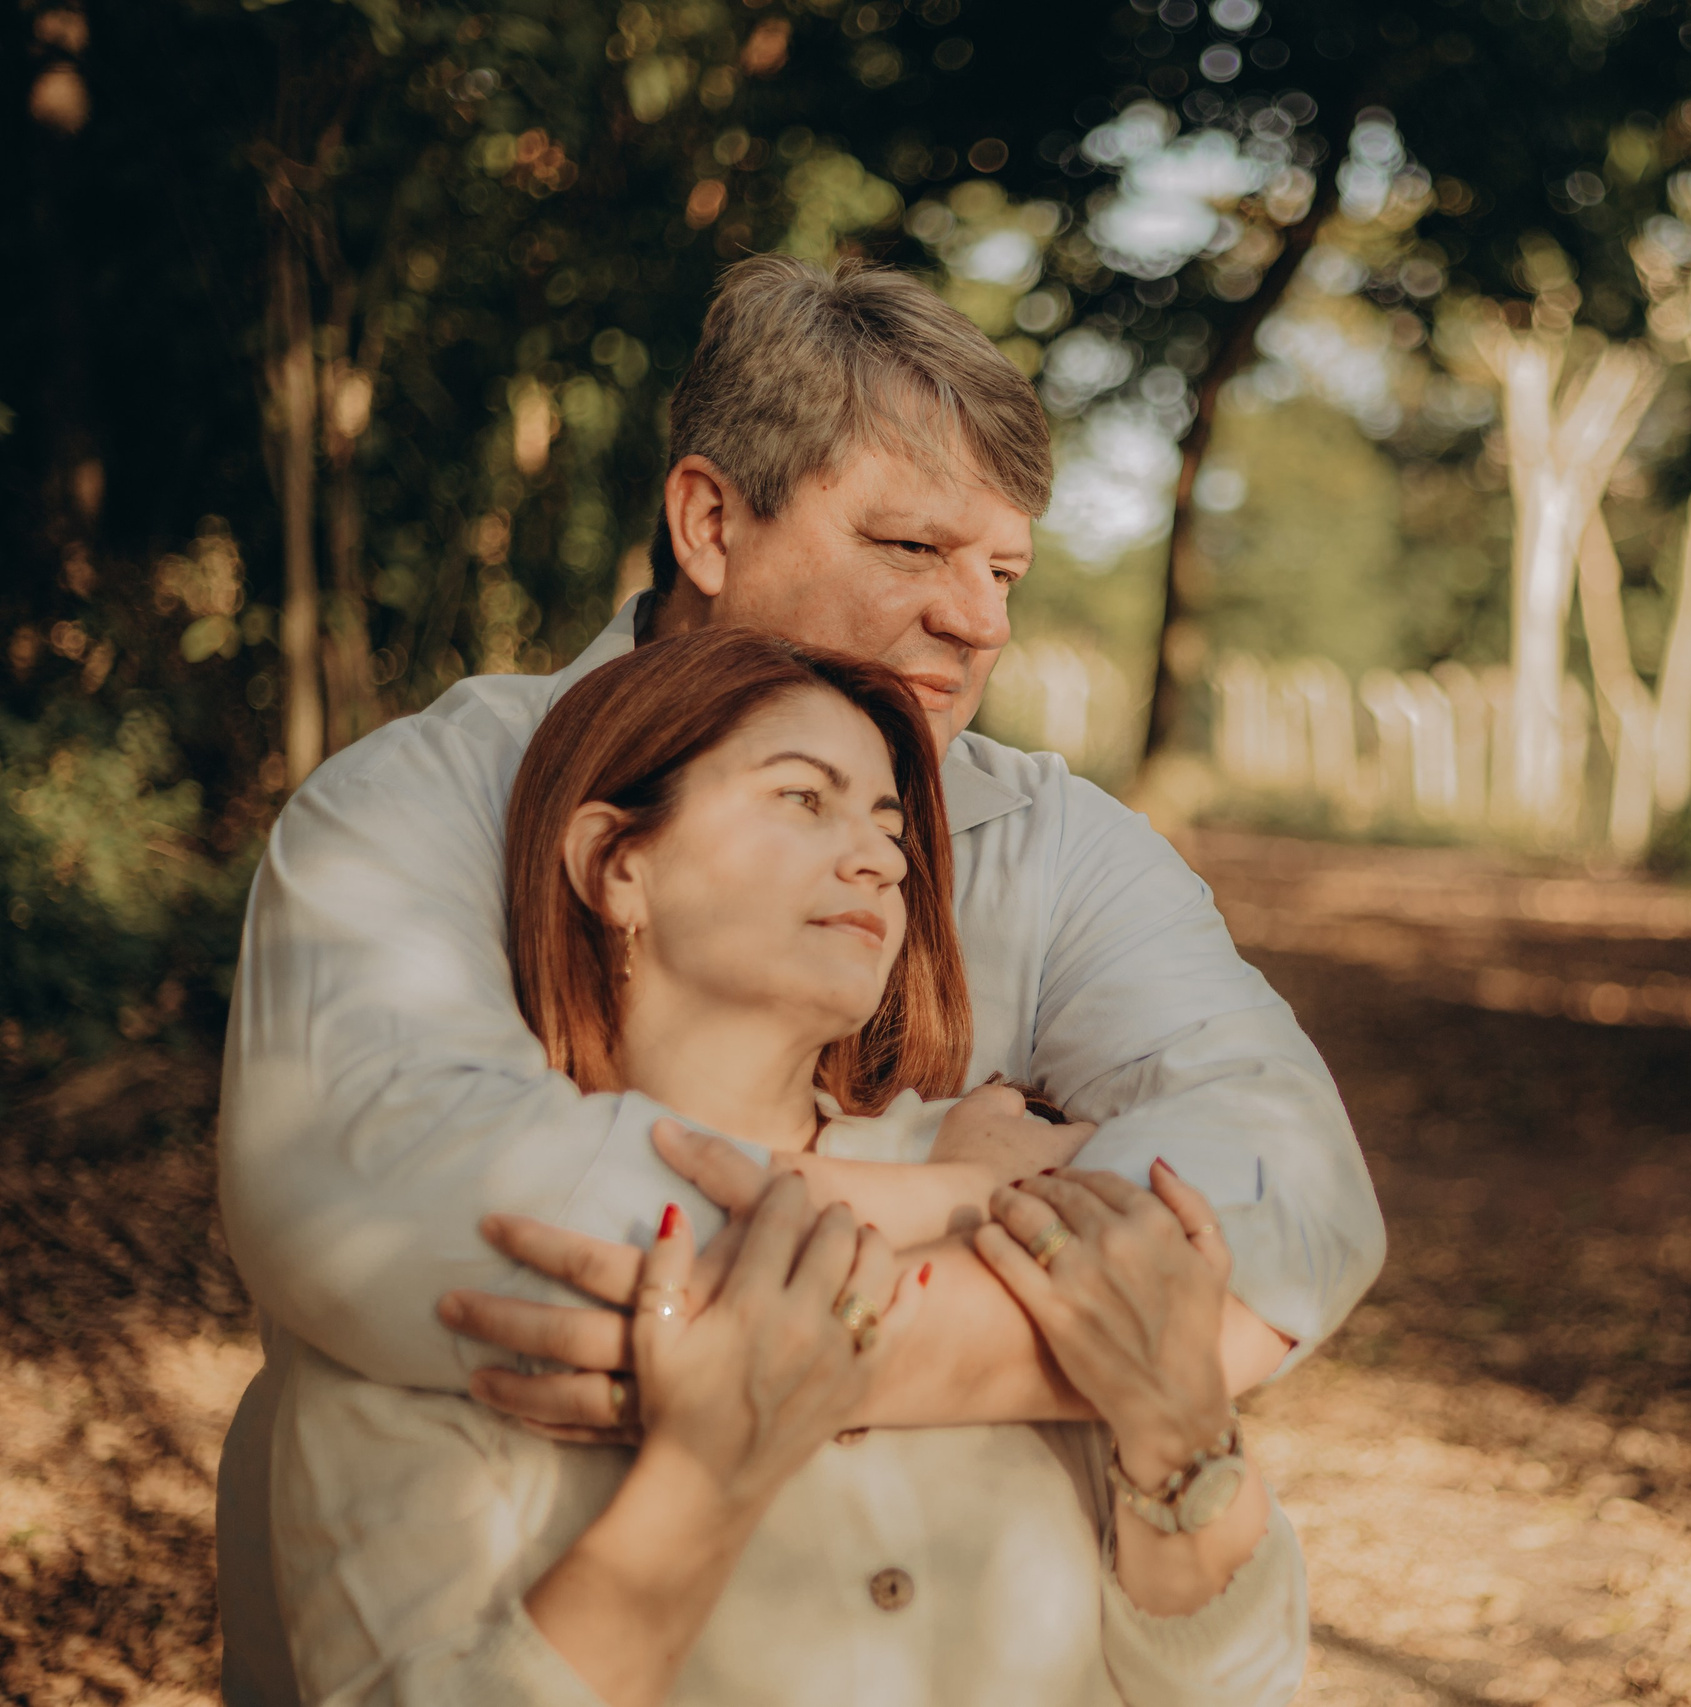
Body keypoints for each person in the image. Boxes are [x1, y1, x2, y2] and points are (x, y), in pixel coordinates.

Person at [216, 256, 1384, 1702]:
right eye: (910, 548)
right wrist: (986, 1215)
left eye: (1005, 570)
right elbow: (384, 1202)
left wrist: (784, 1359)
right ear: (710, 519)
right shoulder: (428, 795)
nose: (982, 622)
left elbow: (1290, 1202)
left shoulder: (1064, 844)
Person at [271, 627, 1305, 1704]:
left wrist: (1181, 1438)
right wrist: (704, 1481)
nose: (880, 857)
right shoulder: (443, 1258)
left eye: (888, 823)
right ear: (619, 865)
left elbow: (1237, 1685)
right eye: (803, 798)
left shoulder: (1026, 1190)